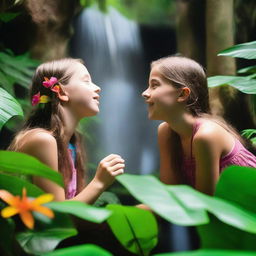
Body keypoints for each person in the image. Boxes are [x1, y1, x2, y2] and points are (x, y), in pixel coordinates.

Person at [8, 58, 125, 203]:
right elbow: (58, 215)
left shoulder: (70, 144)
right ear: (61, 92)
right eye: (86, 81)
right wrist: (99, 182)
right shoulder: (42, 140)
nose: (97, 87)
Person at [142, 55, 256, 195]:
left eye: (154, 85)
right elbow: (170, 197)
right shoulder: (166, 132)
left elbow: (207, 205)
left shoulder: (206, 135)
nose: (145, 93)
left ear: (182, 94)